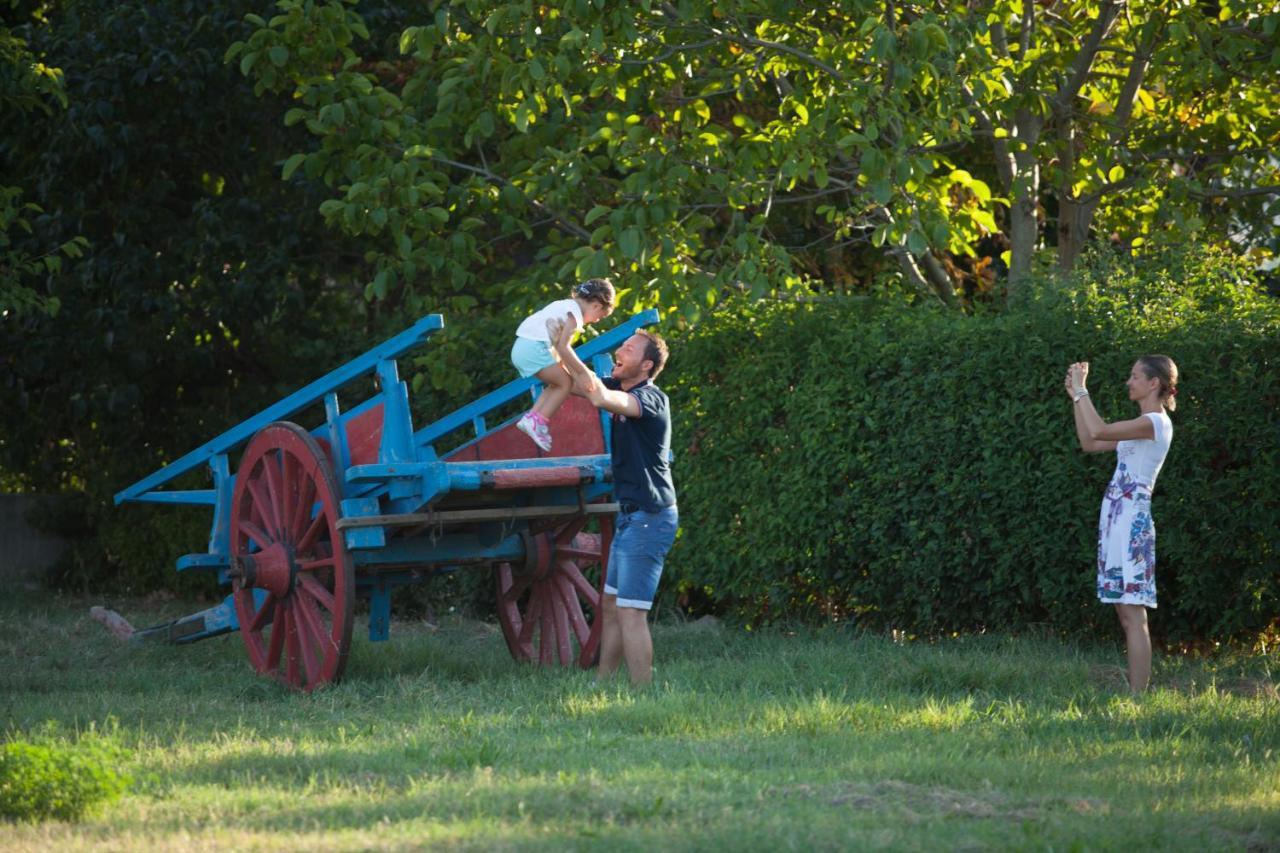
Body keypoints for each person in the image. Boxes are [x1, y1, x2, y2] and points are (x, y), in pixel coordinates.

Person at [553, 322, 677, 685]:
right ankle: (603, 683)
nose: (619, 353)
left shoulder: (651, 399)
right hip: (630, 518)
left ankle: (643, 691)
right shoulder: (617, 384)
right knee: (611, 604)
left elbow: (599, 397)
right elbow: (570, 381)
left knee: (631, 611)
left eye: (629, 350)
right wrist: (548, 350)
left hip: (651, 518)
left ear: (647, 367)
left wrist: (566, 347)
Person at [1065, 355, 1178, 694]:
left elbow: (1098, 428)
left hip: (1131, 523)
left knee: (1134, 616)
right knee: (1125, 614)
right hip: (1116, 521)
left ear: (1153, 383)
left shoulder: (1156, 423)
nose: (1129, 382)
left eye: (1134, 376)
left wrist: (1082, 390)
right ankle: (1135, 693)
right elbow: (1090, 442)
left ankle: (1138, 698)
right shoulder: (1140, 425)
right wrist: (1075, 395)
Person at [510, 279, 615, 452]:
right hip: (532, 349)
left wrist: (576, 373)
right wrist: (585, 373)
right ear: (596, 306)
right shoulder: (573, 319)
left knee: (558, 383)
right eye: (600, 317)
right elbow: (564, 348)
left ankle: (533, 417)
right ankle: (539, 421)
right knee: (564, 384)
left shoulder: (563, 305)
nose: (596, 321)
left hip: (522, 347)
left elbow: (559, 352)